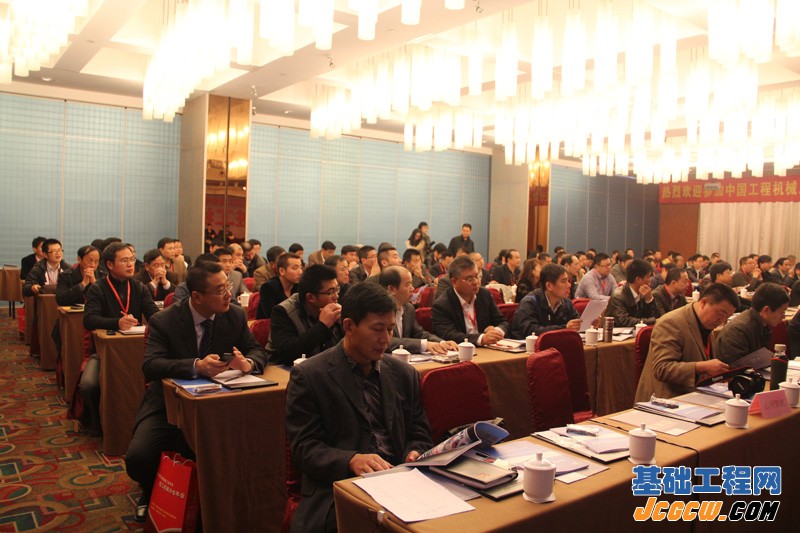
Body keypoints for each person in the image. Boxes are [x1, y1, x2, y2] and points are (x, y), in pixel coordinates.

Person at [125, 261, 266, 522]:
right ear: (197, 297)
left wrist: (248, 363)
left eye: (228, 286)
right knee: (138, 457)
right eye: (220, 290)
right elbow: (151, 365)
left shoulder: (234, 315)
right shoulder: (165, 320)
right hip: (170, 404)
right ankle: (150, 490)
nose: (229, 294)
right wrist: (195, 366)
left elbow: (257, 350)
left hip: (220, 403)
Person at [285, 282, 432, 532]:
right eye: (377, 329)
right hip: (339, 488)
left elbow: (419, 430)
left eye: (389, 329)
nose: (386, 339)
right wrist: (350, 460)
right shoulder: (310, 376)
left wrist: (415, 451)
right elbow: (304, 448)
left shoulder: (403, 373)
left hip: (401, 483)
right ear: (349, 326)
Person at [82, 243, 159, 437]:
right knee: (88, 384)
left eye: (131, 259)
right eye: (124, 260)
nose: (130, 264)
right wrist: (117, 322)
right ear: (109, 264)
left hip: (138, 351)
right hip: (104, 352)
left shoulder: (139, 287)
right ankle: (96, 424)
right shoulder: (98, 288)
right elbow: (89, 319)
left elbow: (154, 315)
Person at [634, 283, 738, 402]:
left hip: (695, 393)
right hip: (665, 398)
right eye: (720, 314)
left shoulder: (706, 323)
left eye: (727, 317)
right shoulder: (671, 323)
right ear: (704, 302)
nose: (721, 321)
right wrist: (702, 367)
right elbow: (662, 369)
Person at [266, 264, 344, 365]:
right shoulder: (283, 312)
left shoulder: (333, 307)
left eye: (337, 289)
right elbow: (287, 353)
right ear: (311, 297)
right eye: (330, 292)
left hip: (322, 367)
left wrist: (343, 325)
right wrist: (322, 325)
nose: (336, 296)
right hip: (284, 369)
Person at [378, 266, 457, 354]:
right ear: (391, 289)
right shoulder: (378, 311)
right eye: (408, 284)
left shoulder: (408, 308)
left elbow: (419, 334)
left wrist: (441, 343)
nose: (412, 288)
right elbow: (387, 341)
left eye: (411, 284)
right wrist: (423, 345)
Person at [432, 256, 508, 345]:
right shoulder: (442, 304)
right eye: (470, 279)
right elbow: (449, 334)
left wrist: (496, 331)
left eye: (477, 276)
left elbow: (503, 322)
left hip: (488, 348)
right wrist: (481, 338)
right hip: (461, 350)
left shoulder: (484, 295)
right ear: (454, 282)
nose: (476, 282)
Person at [714, 283, 789, 364]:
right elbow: (737, 367)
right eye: (782, 312)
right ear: (766, 310)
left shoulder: (762, 324)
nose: (783, 317)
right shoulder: (738, 331)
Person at [511, 263, 581, 337]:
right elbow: (531, 330)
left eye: (568, 280)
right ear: (549, 286)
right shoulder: (529, 303)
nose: (569, 285)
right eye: (564, 281)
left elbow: (576, 322)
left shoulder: (566, 302)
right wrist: (564, 328)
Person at [606, 258, 663, 327]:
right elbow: (624, 321)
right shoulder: (618, 296)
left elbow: (658, 317)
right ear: (638, 279)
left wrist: (650, 300)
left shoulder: (644, 293)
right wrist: (651, 321)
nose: (650, 280)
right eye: (648, 277)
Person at [258, 252, 302, 320]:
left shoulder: (299, 286)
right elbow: (271, 314)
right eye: (295, 268)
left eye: (300, 267)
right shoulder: (268, 287)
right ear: (282, 271)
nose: (300, 272)